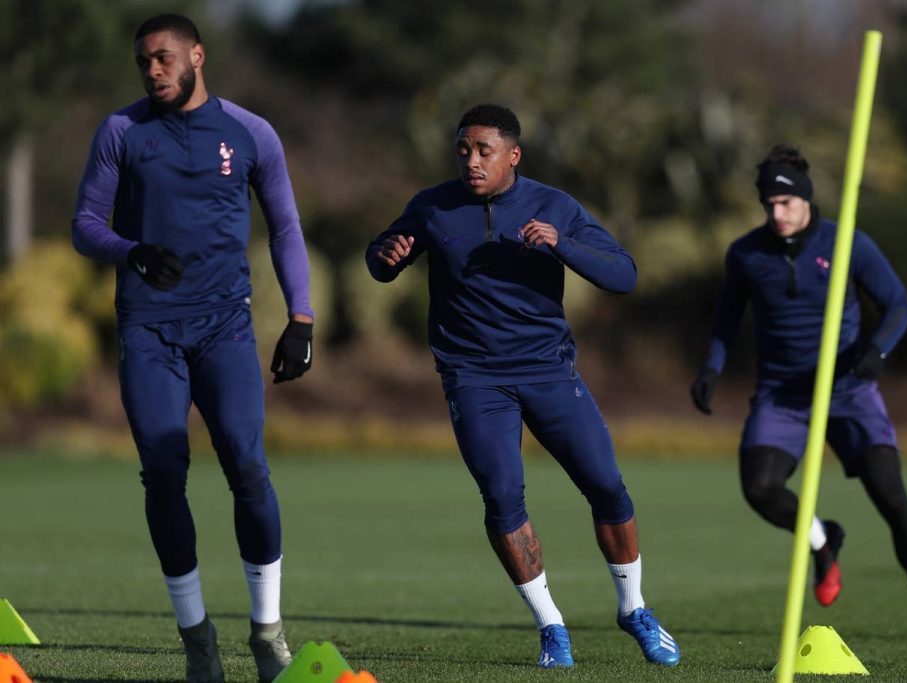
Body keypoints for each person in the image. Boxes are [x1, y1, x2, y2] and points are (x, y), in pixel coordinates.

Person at [366, 104, 681, 669]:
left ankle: (633, 609)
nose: (472, 161)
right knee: (502, 496)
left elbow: (625, 274)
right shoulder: (433, 205)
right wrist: (385, 257)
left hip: (547, 370)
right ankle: (551, 626)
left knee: (607, 486)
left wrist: (561, 244)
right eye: (464, 149)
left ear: (513, 155)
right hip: (474, 377)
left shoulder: (552, 205)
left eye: (484, 150)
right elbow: (384, 258)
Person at [71, 14, 314, 683]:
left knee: (247, 461)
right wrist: (132, 250)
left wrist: (301, 317)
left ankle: (267, 633)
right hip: (148, 329)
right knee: (164, 468)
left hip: (224, 326)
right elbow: (85, 225)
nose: (153, 70)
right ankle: (196, 637)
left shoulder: (250, 132)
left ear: (197, 56)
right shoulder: (122, 132)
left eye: (165, 57)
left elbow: (286, 224)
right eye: (144, 60)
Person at [689, 144, 907, 645]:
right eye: (768, 205)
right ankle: (823, 540)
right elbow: (726, 318)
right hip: (782, 395)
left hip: (850, 391)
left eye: (786, 204)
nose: (777, 214)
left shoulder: (847, 244)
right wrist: (711, 369)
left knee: (892, 499)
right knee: (759, 488)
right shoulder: (747, 254)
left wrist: (877, 353)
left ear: (806, 200)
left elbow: (898, 304)